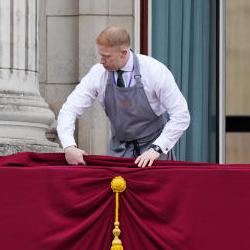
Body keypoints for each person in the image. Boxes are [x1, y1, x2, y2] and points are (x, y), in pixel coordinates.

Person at [57, 26, 190, 168]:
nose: (101, 61)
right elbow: (69, 109)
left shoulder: (155, 71)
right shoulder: (98, 73)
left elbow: (181, 115)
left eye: (106, 56)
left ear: (123, 52)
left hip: (154, 153)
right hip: (118, 153)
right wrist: (69, 146)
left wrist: (157, 148)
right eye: (100, 55)